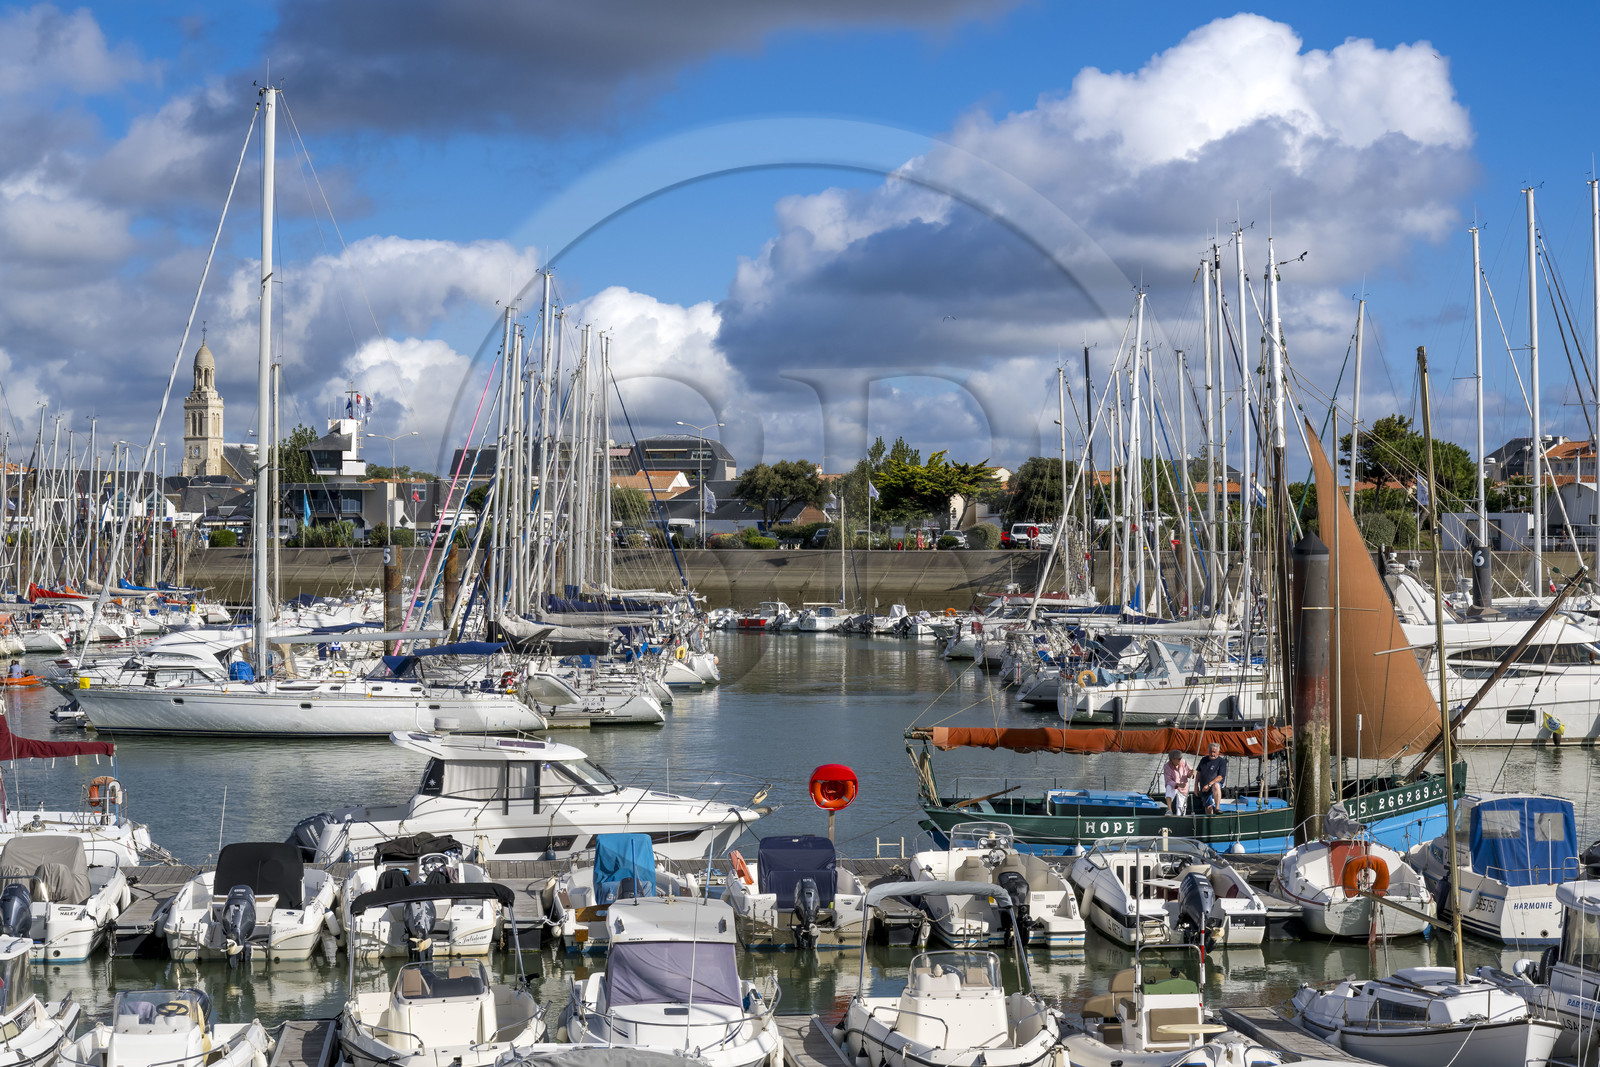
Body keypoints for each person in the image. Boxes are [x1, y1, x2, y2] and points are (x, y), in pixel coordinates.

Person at [1196, 742, 1228, 814]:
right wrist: (1196, 787)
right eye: (1210, 751)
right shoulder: (1203, 760)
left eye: (1214, 752)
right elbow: (1198, 773)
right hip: (1204, 787)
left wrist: (1209, 785)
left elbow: (1220, 777)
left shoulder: (1221, 762)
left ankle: (1217, 808)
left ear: (1218, 752)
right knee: (1208, 807)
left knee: (1216, 785)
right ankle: (1210, 820)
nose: (1212, 754)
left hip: (1212, 785)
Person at [1162, 750, 1194, 814]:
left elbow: (1189, 774)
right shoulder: (1167, 766)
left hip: (1183, 788)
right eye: (1179, 759)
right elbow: (1168, 780)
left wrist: (1191, 773)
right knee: (1168, 787)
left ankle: (1180, 818)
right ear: (1172, 759)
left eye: (1181, 758)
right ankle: (1169, 810)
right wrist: (1177, 784)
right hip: (1174, 786)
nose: (1180, 760)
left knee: (1181, 809)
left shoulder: (1184, 762)